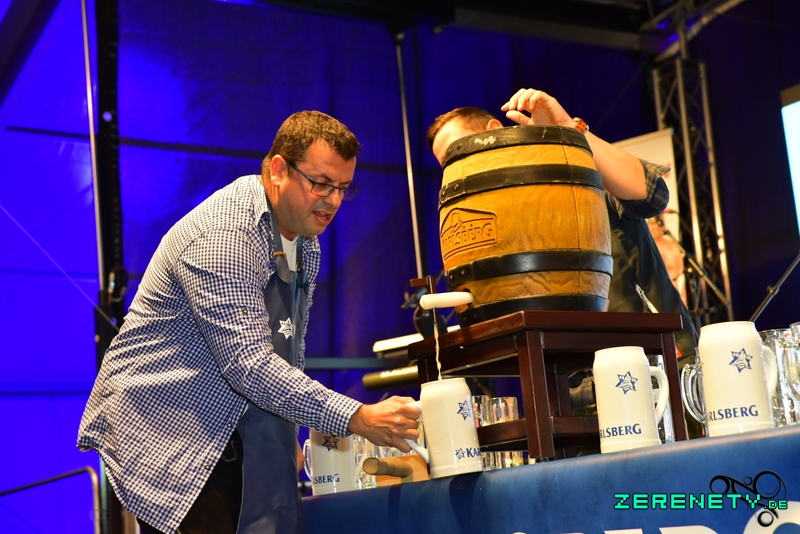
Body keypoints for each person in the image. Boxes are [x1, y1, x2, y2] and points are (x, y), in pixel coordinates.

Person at [78, 111, 420, 534]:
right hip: (173, 438)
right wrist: (358, 416)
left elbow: (285, 350)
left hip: (232, 429)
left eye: (343, 188)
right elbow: (249, 365)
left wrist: (284, 437)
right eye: (320, 183)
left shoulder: (304, 241)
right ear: (278, 170)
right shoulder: (226, 237)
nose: (332, 201)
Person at [426, 88, 697, 361]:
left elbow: (652, 194)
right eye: (448, 162)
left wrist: (569, 130)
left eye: (458, 148)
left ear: (493, 130)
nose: (458, 161)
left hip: (652, 356)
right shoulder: (486, 220)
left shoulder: (574, 171)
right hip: (573, 371)